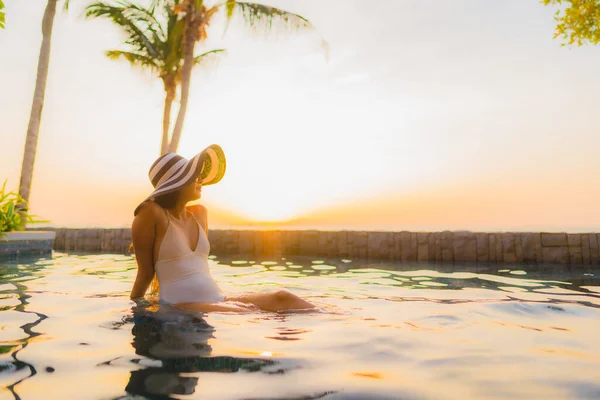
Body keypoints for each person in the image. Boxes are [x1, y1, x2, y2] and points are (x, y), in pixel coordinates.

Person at [130, 144, 316, 313]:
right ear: (178, 182)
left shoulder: (200, 214)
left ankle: (342, 318)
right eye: (193, 174)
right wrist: (135, 309)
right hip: (180, 304)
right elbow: (145, 273)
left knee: (283, 297)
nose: (201, 178)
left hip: (217, 299)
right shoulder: (151, 213)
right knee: (250, 314)